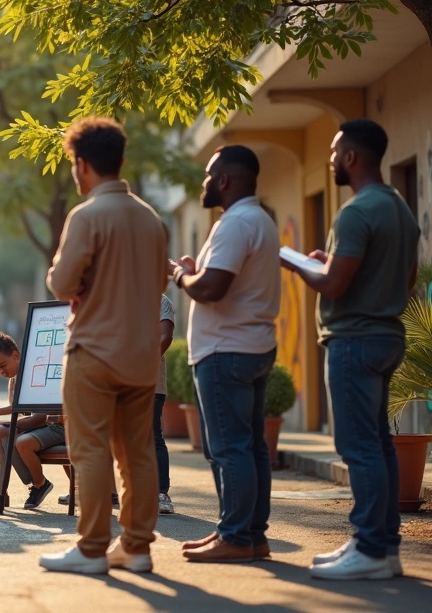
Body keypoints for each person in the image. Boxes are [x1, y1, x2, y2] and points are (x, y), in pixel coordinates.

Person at [283, 119, 418, 581]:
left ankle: (370, 547)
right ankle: (382, 546)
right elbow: (406, 279)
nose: (331, 158)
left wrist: (300, 265)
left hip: (353, 341)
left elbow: (335, 284)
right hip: (386, 335)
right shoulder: (398, 208)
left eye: (335, 150)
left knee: (359, 447)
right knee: (378, 446)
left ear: (352, 157)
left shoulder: (357, 211)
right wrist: (329, 264)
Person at [39, 116, 168, 575]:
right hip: (140, 352)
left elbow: (61, 283)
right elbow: (157, 285)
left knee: (89, 450)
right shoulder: (151, 219)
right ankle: (136, 547)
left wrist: (79, 283)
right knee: (138, 452)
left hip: (93, 350)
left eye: (74, 164)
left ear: (83, 164)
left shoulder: (87, 215)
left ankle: (92, 546)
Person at [171, 145, 281, 563]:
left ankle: (235, 535)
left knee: (229, 448)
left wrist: (182, 275)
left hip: (225, 351)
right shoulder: (260, 220)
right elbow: (220, 279)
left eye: (207, 174)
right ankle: (250, 534)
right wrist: (194, 272)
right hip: (249, 347)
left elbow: (212, 288)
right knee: (250, 446)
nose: (203, 182)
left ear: (223, 181)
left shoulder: (235, 223)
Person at [0, 333, 63, 510]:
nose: (1, 371)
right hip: (37, 427)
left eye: (3, 365)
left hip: (55, 426)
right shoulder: (14, 378)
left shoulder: (37, 373)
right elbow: (15, 407)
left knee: (22, 441)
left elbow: (40, 418)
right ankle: (1, 492)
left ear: (16, 356)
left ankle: (40, 484)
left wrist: (7, 423)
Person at [154, 294, 176, 515]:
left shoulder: (160, 301)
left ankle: (161, 493)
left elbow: (165, 337)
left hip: (149, 383)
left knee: (152, 436)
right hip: (118, 382)